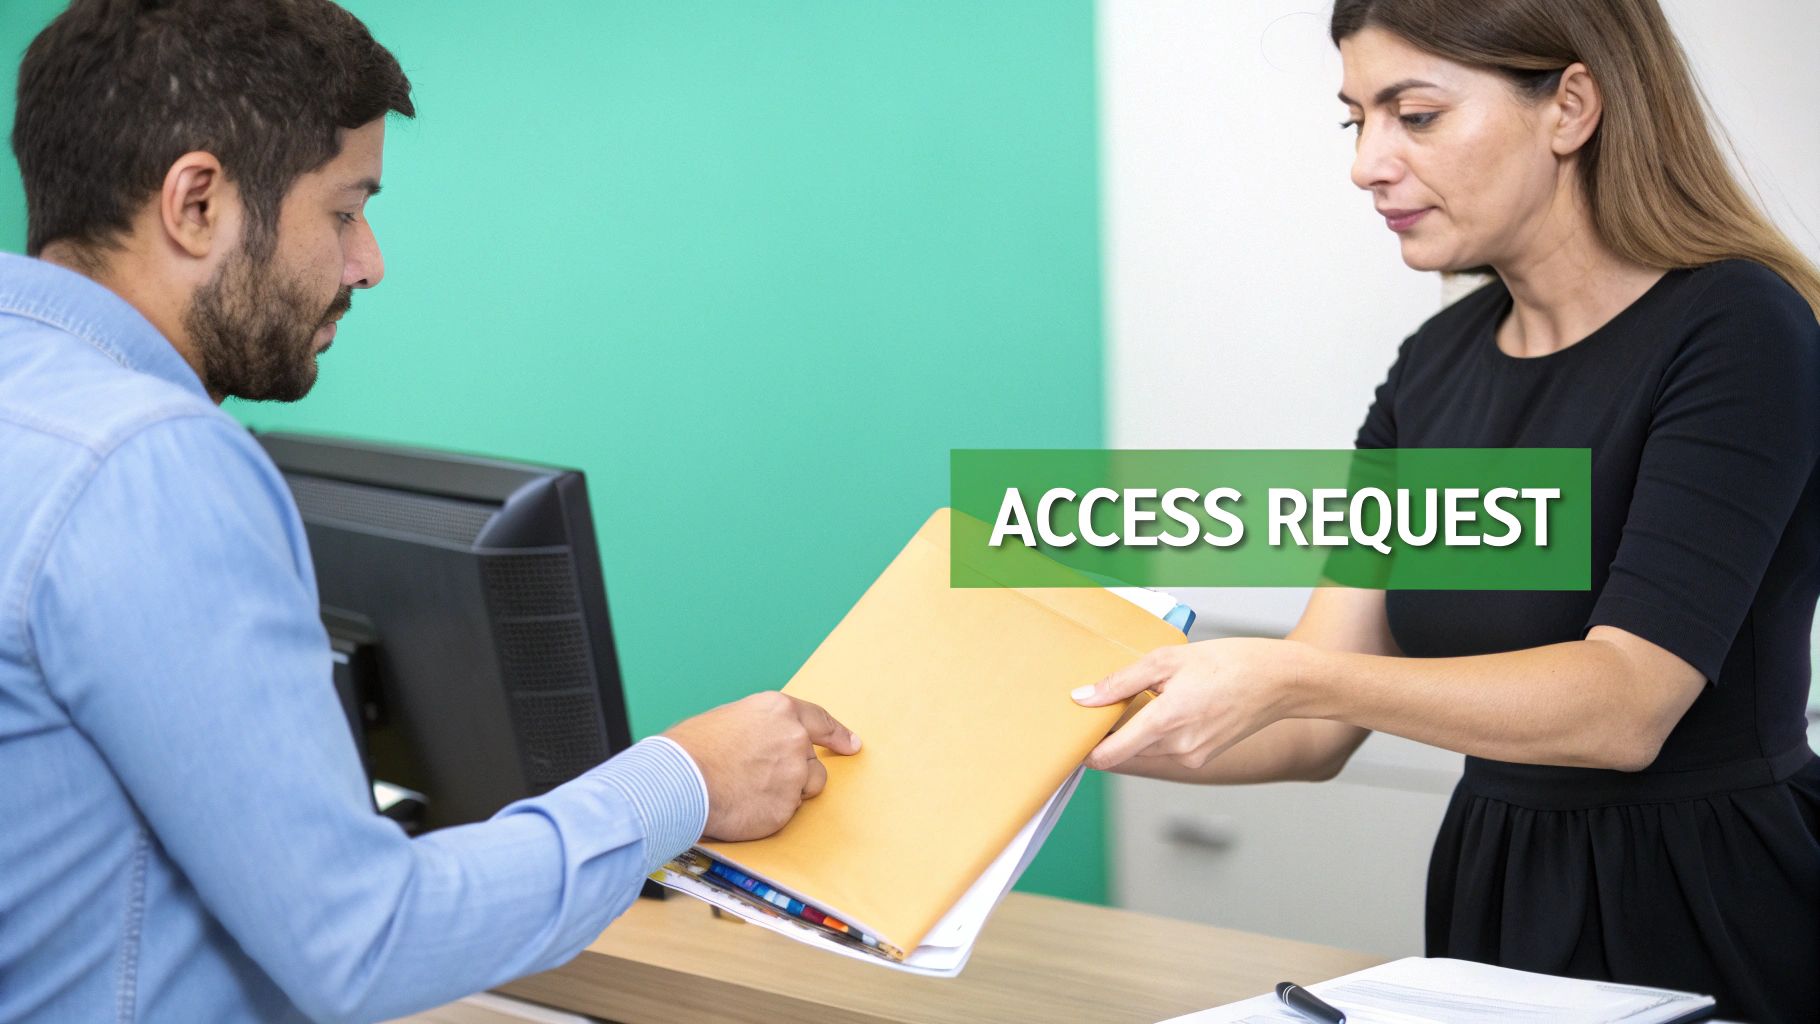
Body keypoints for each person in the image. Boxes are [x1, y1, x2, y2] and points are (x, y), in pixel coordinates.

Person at [0, 2, 859, 1021]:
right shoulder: (151, 463)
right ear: (196, 203)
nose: (368, 261)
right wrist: (683, 783)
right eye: (343, 208)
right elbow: (362, 939)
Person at [1072, 1, 1820, 1019]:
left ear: (1569, 106)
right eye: (1355, 120)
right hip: (1492, 891)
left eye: (1411, 114)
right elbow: (1311, 727)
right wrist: (1055, 724)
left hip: (1705, 902)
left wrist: (1286, 675)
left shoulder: (1736, 327)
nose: (1366, 164)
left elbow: (1623, 703)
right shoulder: (1431, 369)